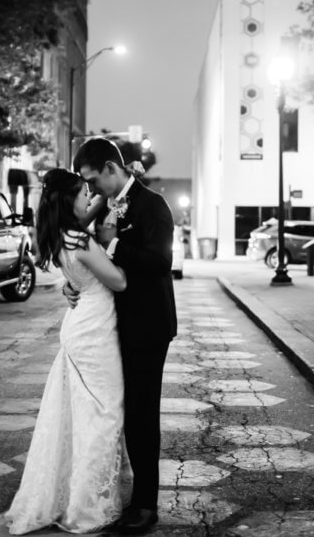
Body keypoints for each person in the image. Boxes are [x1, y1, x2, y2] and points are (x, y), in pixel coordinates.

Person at [4, 168, 133, 535]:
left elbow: (87, 216)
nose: (89, 198)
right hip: (94, 331)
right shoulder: (81, 241)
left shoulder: (61, 235)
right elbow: (119, 281)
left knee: (78, 413)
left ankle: (73, 494)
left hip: (78, 325)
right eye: (83, 193)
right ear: (68, 200)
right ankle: (87, 504)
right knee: (105, 413)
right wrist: (113, 245)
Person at [70, 137, 177, 535]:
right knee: (123, 411)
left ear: (113, 170)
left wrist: (112, 242)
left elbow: (160, 261)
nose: (91, 188)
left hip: (148, 326)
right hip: (113, 325)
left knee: (142, 414)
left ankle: (146, 506)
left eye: (94, 180)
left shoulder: (153, 205)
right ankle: (126, 494)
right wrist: (76, 282)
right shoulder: (103, 205)